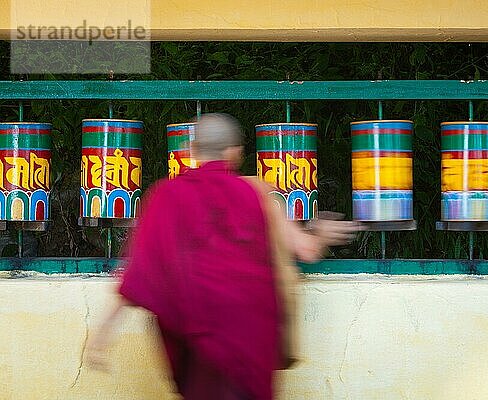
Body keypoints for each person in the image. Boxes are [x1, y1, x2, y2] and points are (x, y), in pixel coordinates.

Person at [87, 113, 360, 399]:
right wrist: (323, 232)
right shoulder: (259, 193)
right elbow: (307, 249)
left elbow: (140, 272)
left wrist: (103, 333)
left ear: (193, 151)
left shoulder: (165, 195)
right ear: (236, 153)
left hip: (196, 341)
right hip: (250, 335)